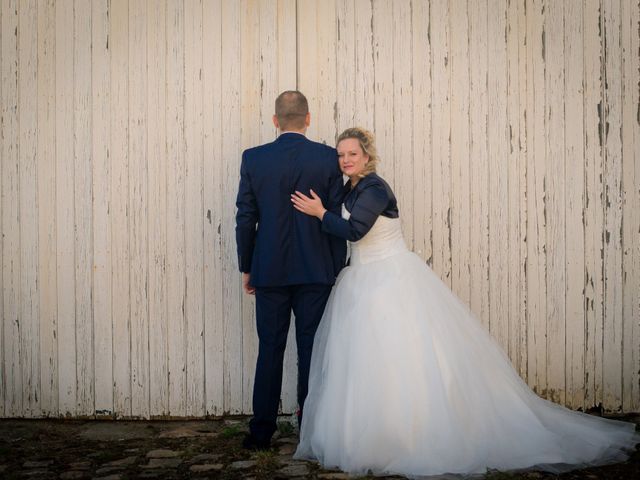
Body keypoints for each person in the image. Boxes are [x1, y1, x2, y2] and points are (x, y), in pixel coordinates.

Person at [290, 127, 639, 477]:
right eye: (341, 154)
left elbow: (355, 231)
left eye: (352, 153)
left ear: (367, 155)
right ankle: (369, 436)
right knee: (365, 362)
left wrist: (320, 213)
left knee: (401, 357)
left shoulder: (375, 188)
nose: (346, 160)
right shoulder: (351, 188)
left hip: (389, 280)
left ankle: (412, 436)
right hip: (362, 280)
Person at [235, 91, 346, 451]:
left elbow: (245, 218)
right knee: (311, 348)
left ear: (275, 120)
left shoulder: (254, 159)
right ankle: (309, 428)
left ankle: (261, 431)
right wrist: (335, 268)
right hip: (316, 271)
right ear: (309, 119)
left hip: (269, 270)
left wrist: (247, 267)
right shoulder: (329, 158)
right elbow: (333, 218)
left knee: (270, 348)